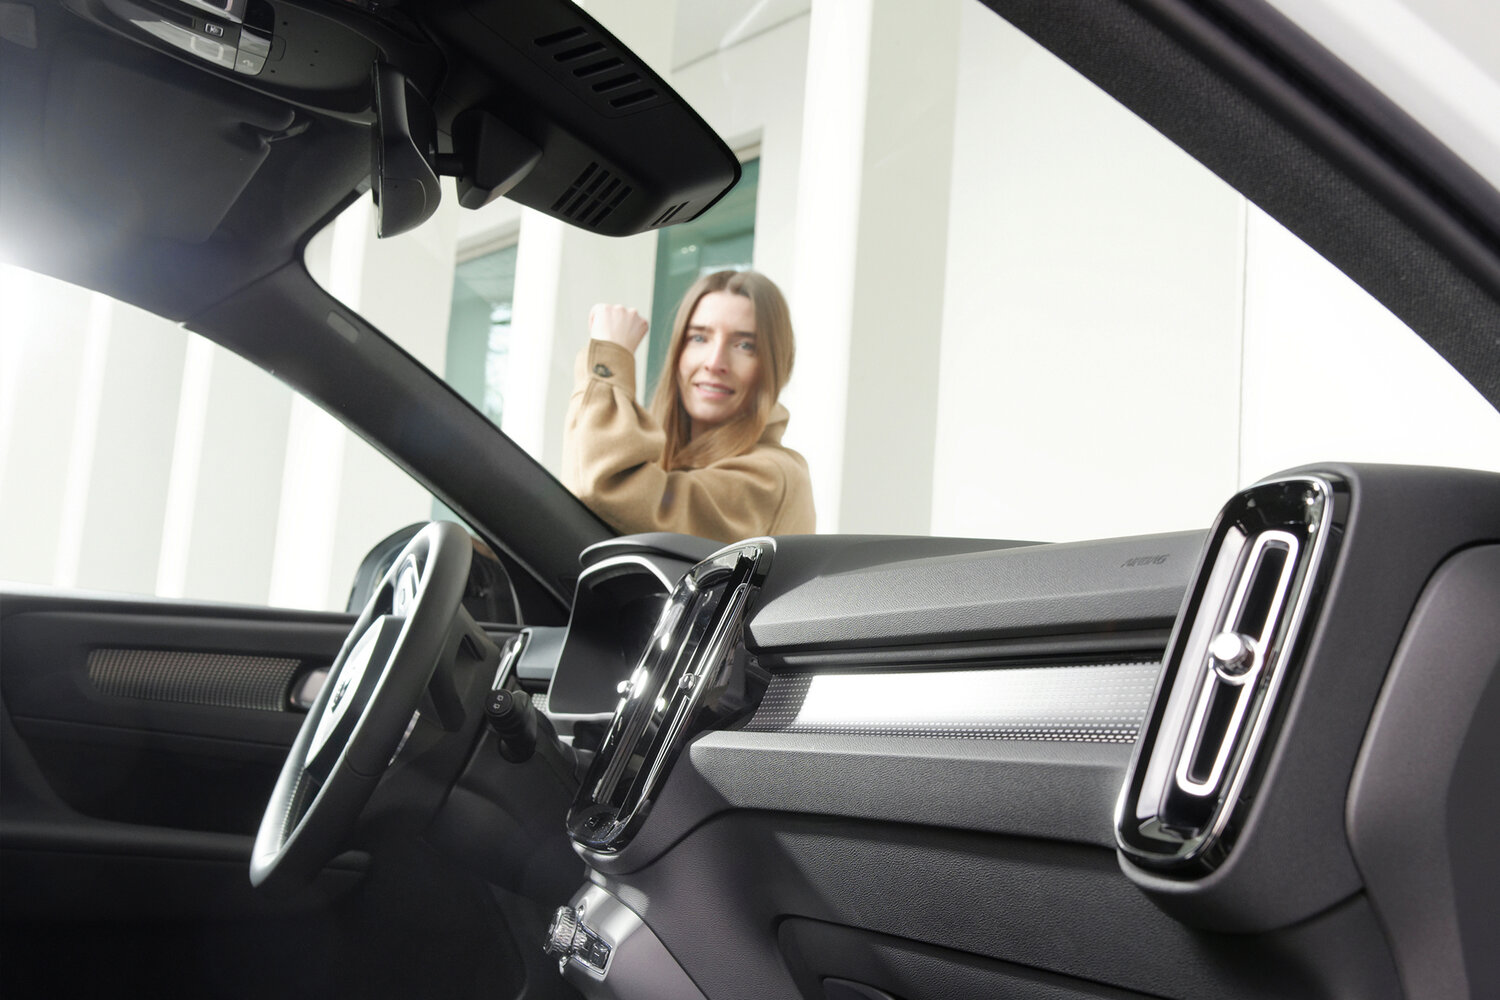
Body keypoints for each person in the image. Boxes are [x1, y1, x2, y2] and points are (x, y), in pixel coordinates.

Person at [562, 269, 815, 543]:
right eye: (699, 338)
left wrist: (610, 358)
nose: (714, 362)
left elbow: (603, 485)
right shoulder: (668, 462)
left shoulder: (772, 476)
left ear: (774, 365)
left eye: (744, 345)